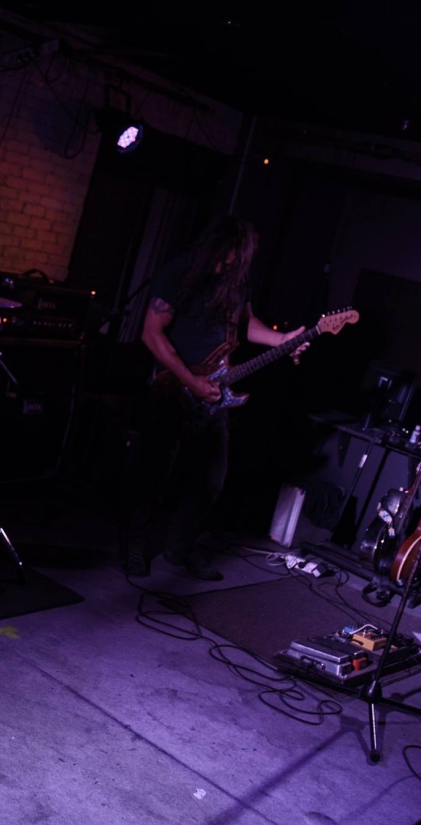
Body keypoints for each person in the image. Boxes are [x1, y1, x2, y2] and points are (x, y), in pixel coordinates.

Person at [124, 216, 306, 581]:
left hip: (214, 392)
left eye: (234, 258)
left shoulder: (238, 282)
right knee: (154, 475)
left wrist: (282, 341)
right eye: (223, 257)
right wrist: (191, 381)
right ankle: (134, 549)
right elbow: (151, 333)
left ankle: (179, 550)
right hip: (173, 385)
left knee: (210, 481)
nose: (226, 265)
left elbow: (246, 325)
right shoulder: (180, 273)